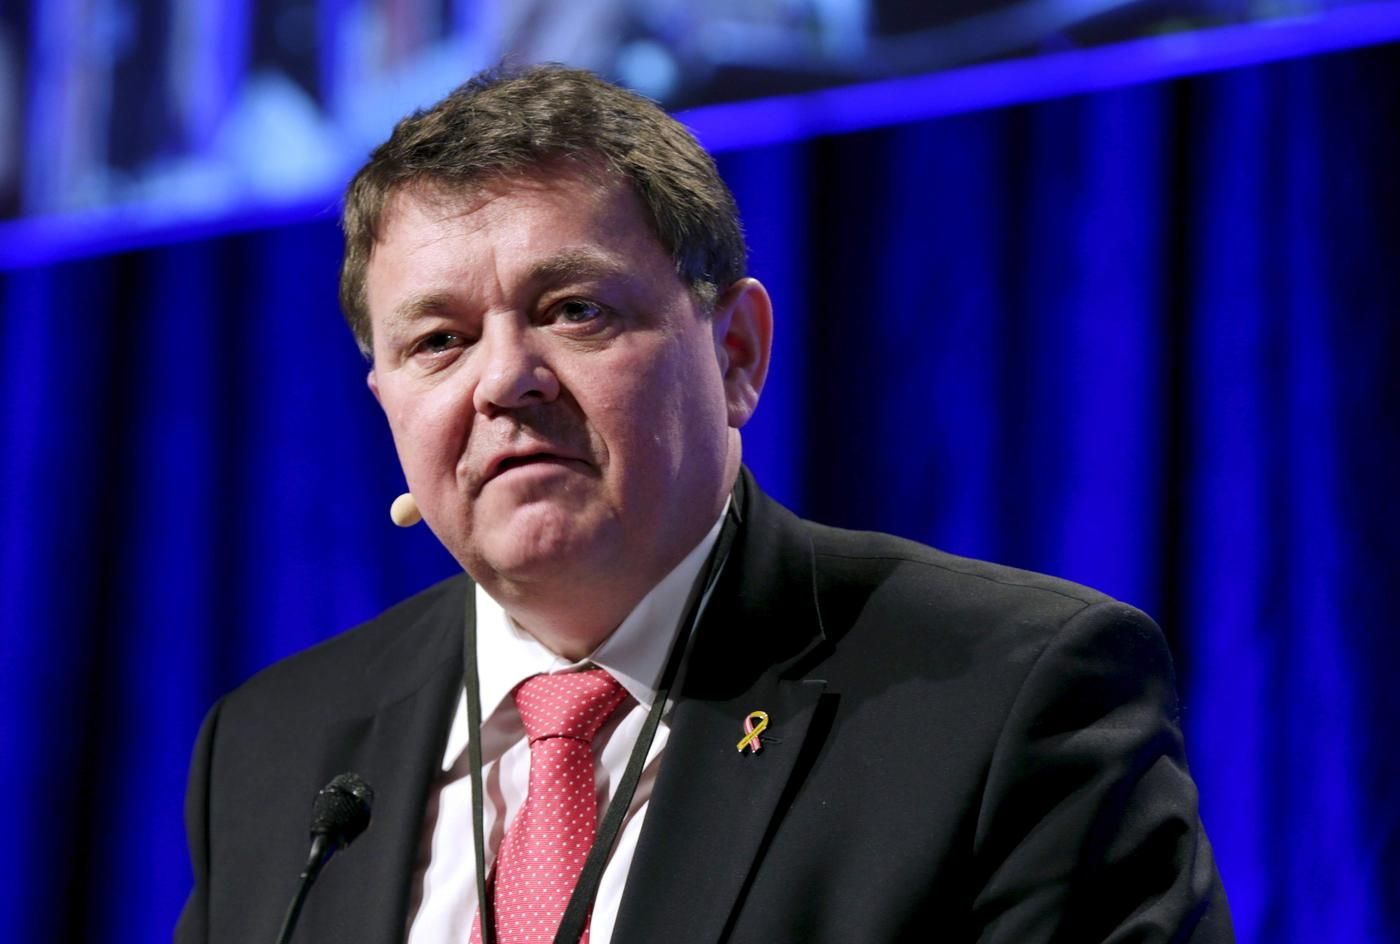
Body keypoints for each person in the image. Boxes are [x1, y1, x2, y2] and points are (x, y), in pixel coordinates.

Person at [177, 65, 1232, 944]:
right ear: (387, 404)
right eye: (439, 340)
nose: (504, 380)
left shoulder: (1005, 697)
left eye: (573, 309)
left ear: (735, 354)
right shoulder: (273, 751)